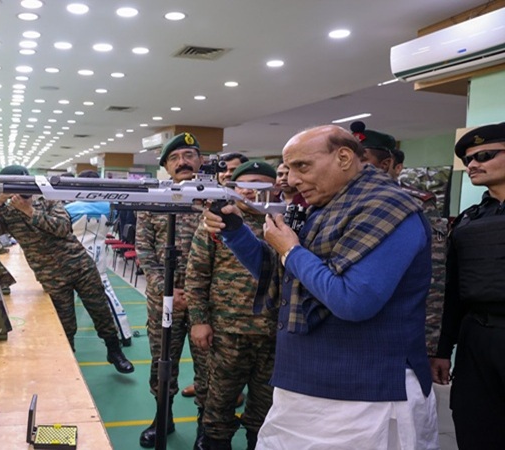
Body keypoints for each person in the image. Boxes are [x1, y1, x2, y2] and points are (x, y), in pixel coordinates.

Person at [202, 125, 439, 449]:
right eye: (289, 169)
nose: (291, 179)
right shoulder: (327, 208)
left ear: (343, 157)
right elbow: (284, 277)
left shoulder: (392, 209)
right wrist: (235, 230)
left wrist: (290, 250)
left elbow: (353, 301)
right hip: (305, 384)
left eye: (302, 166)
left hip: (366, 395)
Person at [0, 165, 134, 374]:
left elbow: (62, 227)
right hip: (51, 275)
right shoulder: (5, 212)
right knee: (65, 324)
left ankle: (114, 351)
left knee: (100, 310)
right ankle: (70, 364)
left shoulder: (47, 199)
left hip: (79, 265)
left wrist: (29, 211)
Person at [187, 161, 278, 450]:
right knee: (219, 404)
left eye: (262, 185)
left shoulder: (284, 223)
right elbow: (197, 274)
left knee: (266, 409)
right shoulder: (217, 222)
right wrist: (199, 320)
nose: (253, 193)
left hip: (274, 334)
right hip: (229, 331)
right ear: (235, 188)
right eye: (247, 186)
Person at [432, 122, 505, 449]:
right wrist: (443, 350)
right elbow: (453, 291)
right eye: (468, 159)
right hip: (476, 338)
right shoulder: (469, 220)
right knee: (476, 426)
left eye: (485, 155)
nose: (473, 165)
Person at [136, 132, 209, 448]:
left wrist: (195, 295)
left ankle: (207, 428)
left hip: (206, 300)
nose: (183, 162)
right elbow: (144, 248)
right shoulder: (153, 200)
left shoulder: (214, 199)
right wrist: (163, 288)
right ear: (166, 166)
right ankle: (162, 418)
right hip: (163, 300)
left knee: (209, 365)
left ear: (200, 161)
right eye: (175, 158)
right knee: (162, 360)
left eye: (189, 155)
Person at [352, 121, 448, 357]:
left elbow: (432, 276)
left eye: (362, 160)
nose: (350, 166)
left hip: (395, 327)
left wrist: (429, 347)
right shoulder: (330, 201)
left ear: (385, 164)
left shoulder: (415, 203)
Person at [181, 150, 248, 400]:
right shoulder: (202, 204)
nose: (229, 174)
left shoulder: (266, 216)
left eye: (236, 172)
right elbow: (197, 271)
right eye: (226, 170)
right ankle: (203, 391)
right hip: (202, 303)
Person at [65, 169, 133, 346]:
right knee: (109, 295)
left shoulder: (69, 209)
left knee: (65, 299)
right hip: (99, 256)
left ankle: (62, 337)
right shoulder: (110, 207)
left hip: (74, 258)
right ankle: (125, 334)